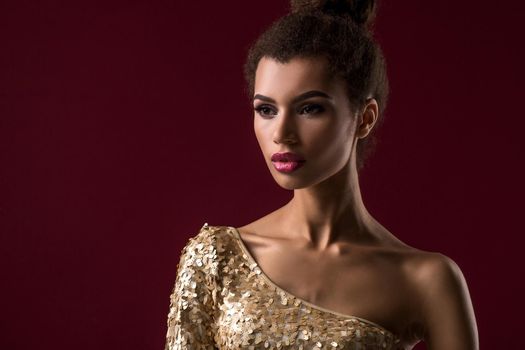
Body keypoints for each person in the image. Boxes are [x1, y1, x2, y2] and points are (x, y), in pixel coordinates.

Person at [164, 0, 479, 349]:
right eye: (266, 109)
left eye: (310, 108)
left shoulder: (426, 280)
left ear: (365, 117)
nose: (281, 132)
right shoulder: (215, 260)